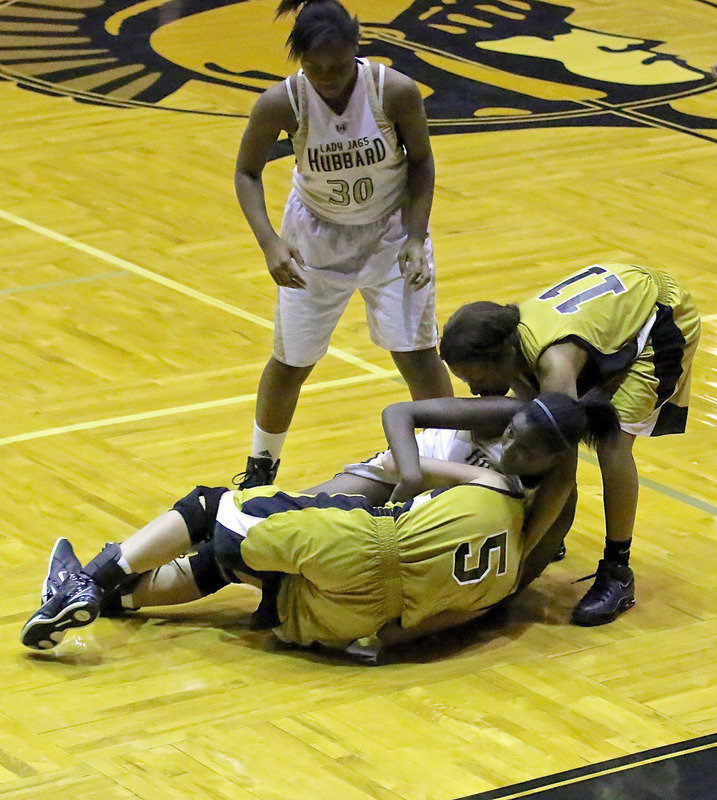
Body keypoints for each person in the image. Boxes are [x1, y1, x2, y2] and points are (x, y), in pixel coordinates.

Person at [21, 393, 619, 657]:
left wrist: (413, 479)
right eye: (509, 434)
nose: (507, 447)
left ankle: (91, 580)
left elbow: (399, 464)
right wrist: (398, 638)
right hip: (368, 616)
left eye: (520, 444)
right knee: (231, 562)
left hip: (370, 540)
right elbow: (491, 598)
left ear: (551, 459)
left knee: (213, 508)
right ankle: (111, 600)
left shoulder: (498, 483)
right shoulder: (525, 520)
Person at [234, 0, 453, 488]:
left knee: (418, 356)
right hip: (314, 238)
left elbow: (421, 161)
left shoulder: (393, 90)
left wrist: (416, 236)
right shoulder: (281, 102)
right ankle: (259, 468)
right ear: (299, 60)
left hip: (392, 233)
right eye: (315, 68)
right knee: (291, 362)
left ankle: (452, 463)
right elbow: (246, 172)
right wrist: (270, 243)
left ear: (357, 47)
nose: (328, 78)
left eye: (337, 66)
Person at [438, 262, 700, 625]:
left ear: (502, 358)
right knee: (533, 428)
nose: (473, 389)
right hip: (613, 310)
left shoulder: (554, 365)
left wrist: (525, 549)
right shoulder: (509, 340)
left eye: (474, 377)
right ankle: (548, 526)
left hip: (661, 317)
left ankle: (617, 571)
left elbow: (563, 474)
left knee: (612, 442)